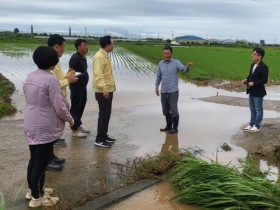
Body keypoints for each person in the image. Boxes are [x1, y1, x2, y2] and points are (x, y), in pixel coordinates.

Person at [23, 46, 74, 208]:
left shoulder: (30, 76)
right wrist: (70, 119)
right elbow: (59, 105)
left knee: (34, 159)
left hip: (31, 121)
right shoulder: (50, 79)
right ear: (53, 62)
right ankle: (38, 197)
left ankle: (33, 190)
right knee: (41, 162)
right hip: (44, 125)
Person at [47, 34, 77, 171]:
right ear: (57, 46)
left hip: (58, 99)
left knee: (53, 132)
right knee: (48, 134)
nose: (64, 49)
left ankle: (51, 157)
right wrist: (68, 81)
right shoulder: (48, 61)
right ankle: (47, 160)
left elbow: (59, 79)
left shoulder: (56, 61)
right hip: (52, 103)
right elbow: (51, 84)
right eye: (63, 46)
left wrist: (67, 75)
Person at [155, 46, 192, 134]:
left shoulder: (176, 62)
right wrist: (156, 86)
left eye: (167, 53)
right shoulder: (161, 63)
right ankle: (168, 126)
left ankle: (175, 128)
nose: (165, 55)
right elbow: (159, 76)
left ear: (171, 54)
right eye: (164, 53)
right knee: (165, 110)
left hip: (173, 91)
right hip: (164, 90)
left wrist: (187, 67)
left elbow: (183, 69)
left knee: (174, 110)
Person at [93, 35, 116, 148]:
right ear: (107, 45)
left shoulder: (105, 55)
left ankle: (104, 135)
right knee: (103, 115)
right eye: (112, 43)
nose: (113, 45)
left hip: (108, 90)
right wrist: (104, 89)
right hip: (103, 91)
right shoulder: (99, 57)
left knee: (107, 115)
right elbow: (98, 75)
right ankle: (99, 139)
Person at [242, 47, 269, 133]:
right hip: (251, 90)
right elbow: (251, 76)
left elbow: (264, 80)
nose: (252, 55)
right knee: (252, 109)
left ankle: (257, 126)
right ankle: (251, 124)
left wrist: (254, 83)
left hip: (258, 91)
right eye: (252, 54)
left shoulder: (263, 67)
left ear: (260, 56)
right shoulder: (252, 65)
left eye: (254, 54)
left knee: (258, 109)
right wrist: (246, 80)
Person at [69, 39, 90, 136]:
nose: (87, 47)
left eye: (86, 45)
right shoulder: (75, 58)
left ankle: (78, 125)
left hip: (82, 87)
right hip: (76, 87)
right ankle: (74, 130)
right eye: (84, 45)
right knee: (75, 107)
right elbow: (70, 72)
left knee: (81, 106)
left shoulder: (82, 57)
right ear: (78, 47)